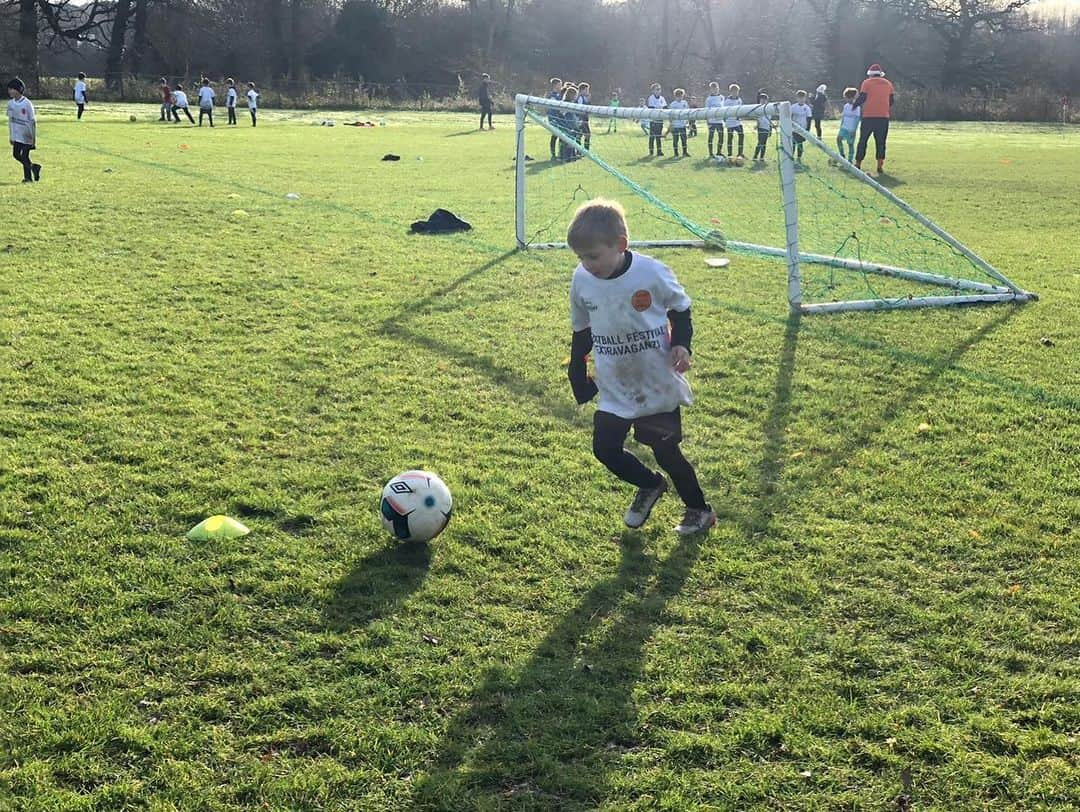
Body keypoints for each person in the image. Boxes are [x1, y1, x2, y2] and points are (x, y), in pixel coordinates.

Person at [566, 198, 716, 535]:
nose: (587, 265)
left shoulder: (651, 273)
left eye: (593, 256)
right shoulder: (582, 280)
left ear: (620, 245)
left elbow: (681, 309)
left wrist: (682, 344)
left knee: (665, 451)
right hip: (614, 383)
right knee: (605, 448)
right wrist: (577, 369)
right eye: (580, 258)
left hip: (654, 382)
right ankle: (650, 485)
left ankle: (699, 510)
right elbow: (582, 329)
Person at [854, 62, 895, 174]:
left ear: (870, 74)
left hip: (868, 116)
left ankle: (858, 163)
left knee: (863, 141)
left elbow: (862, 97)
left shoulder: (866, 83)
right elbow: (891, 101)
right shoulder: (888, 83)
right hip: (883, 117)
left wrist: (854, 106)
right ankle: (879, 165)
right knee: (881, 142)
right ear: (880, 74)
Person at [7, 77, 40, 183]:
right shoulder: (10, 104)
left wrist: (33, 138)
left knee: (25, 155)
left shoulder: (27, 104)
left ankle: (28, 178)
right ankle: (34, 167)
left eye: (12, 89)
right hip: (17, 135)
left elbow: (32, 121)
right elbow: (10, 120)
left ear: (19, 89)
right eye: (9, 89)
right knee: (16, 155)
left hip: (27, 135)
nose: (10, 91)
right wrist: (11, 136)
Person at [836, 86, 860, 163]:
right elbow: (843, 117)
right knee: (838, 139)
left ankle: (850, 160)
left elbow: (857, 119)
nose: (847, 99)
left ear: (853, 97)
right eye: (846, 97)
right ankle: (842, 156)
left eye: (849, 97)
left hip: (851, 129)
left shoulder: (857, 107)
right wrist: (841, 126)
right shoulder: (846, 106)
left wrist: (854, 130)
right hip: (844, 128)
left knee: (850, 144)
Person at [723, 83, 745, 159]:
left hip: (738, 122)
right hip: (730, 123)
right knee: (730, 138)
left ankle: (740, 153)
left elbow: (740, 110)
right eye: (733, 91)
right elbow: (724, 112)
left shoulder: (739, 100)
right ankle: (729, 154)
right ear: (731, 92)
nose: (735, 93)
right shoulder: (727, 101)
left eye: (737, 91)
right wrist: (725, 120)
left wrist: (740, 116)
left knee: (741, 135)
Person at [791, 90, 813, 162]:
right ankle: (791, 156)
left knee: (800, 143)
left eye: (803, 98)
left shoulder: (807, 108)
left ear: (805, 98)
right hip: (794, 129)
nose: (801, 99)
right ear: (797, 98)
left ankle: (799, 157)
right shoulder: (793, 107)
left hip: (802, 129)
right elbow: (789, 118)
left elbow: (809, 119)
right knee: (793, 143)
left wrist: (807, 130)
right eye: (800, 98)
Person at [705, 81, 725, 159]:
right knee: (711, 137)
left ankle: (719, 152)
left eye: (716, 88)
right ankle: (710, 153)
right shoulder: (708, 99)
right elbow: (706, 111)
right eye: (713, 89)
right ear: (711, 89)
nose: (715, 90)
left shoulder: (722, 97)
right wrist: (708, 121)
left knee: (721, 137)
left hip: (720, 121)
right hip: (712, 122)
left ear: (718, 88)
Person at [646, 82, 667, 157]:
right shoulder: (651, 98)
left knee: (658, 136)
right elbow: (651, 108)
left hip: (660, 120)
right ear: (653, 91)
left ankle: (659, 151)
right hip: (653, 121)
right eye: (657, 89)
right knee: (652, 136)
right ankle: (651, 152)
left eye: (659, 89)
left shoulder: (662, 98)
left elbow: (665, 108)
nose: (658, 91)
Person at [669, 88, 690, 157]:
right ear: (676, 96)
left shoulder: (685, 103)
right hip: (675, 125)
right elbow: (670, 115)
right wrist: (671, 124)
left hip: (683, 125)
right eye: (679, 96)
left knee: (684, 139)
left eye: (681, 96)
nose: (680, 97)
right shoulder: (672, 104)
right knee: (675, 140)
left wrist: (687, 122)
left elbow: (687, 113)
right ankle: (676, 153)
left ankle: (685, 152)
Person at [752, 91, 772, 162]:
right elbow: (757, 118)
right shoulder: (758, 108)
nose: (763, 101)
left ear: (767, 100)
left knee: (764, 143)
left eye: (765, 99)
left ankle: (761, 157)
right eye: (762, 99)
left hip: (766, 128)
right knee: (760, 142)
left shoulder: (769, 109)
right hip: (761, 127)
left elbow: (769, 120)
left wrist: (771, 129)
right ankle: (755, 156)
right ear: (760, 100)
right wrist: (757, 125)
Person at [547, 77, 564, 159]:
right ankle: (553, 154)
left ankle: (560, 153)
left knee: (561, 135)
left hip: (560, 119)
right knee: (555, 135)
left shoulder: (559, 95)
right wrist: (553, 118)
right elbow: (552, 109)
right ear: (555, 85)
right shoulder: (552, 96)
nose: (561, 86)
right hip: (554, 119)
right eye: (560, 85)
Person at [576, 82, 592, 150]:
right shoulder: (580, 98)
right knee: (586, 134)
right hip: (581, 120)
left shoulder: (584, 98)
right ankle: (584, 150)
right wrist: (580, 119)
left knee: (581, 135)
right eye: (586, 90)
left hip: (585, 119)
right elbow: (580, 109)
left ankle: (582, 150)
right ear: (582, 90)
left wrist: (588, 101)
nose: (588, 92)